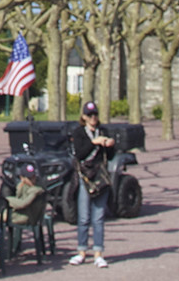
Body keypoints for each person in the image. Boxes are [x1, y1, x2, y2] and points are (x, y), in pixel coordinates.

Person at [68, 101, 113, 269]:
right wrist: (94, 142)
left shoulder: (103, 131)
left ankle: (98, 253)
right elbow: (79, 154)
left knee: (98, 217)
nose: (93, 118)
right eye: (90, 115)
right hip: (85, 178)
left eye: (95, 115)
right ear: (84, 117)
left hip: (100, 177)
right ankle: (81, 251)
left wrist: (109, 145)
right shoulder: (79, 133)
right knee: (84, 216)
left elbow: (110, 155)